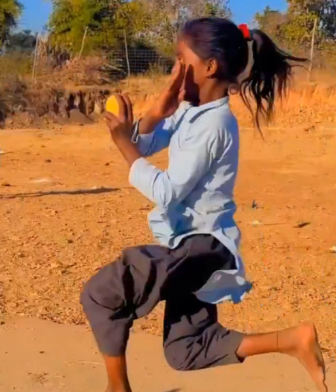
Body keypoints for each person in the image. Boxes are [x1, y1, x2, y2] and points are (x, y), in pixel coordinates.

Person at [80, 17, 327, 392]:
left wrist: (122, 144)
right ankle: (293, 340)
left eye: (181, 60)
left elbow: (166, 191)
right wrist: (155, 114)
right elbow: (145, 147)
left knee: (102, 292)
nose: (176, 70)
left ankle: (117, 388)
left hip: (204, 244)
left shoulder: (215, 125)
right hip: (190, 244)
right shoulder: (189, 110)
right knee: (186, 350)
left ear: (209, 67)